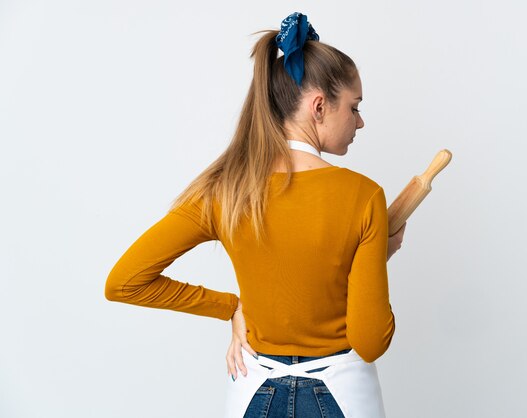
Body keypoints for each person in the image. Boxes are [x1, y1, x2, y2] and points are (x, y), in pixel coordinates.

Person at [105, 11, 407, 418]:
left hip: (253, 394)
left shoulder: (226, 191)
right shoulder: (362, 196)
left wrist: (230, 306)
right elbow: (370, 340)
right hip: (344, 398)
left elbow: (125, 282)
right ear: (319, 106)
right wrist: (375, 261)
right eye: (354, 107)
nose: (360, 121)